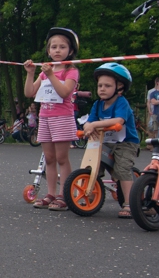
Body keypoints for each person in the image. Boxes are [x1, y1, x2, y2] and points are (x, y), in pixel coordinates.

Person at [24, 28, 80, 211]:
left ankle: (65, 195)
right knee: (49, 158)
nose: (57, 50)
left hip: (62, 118)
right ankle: (51, 193)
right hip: (45, 117)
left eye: (62, 47)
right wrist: (30, 73)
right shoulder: (44, 71)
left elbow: (64, 92)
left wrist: (50, 75)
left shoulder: (70, 71)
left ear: (70, 51)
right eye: (53, 47)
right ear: (48, 51)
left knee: (62, 158)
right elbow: (29, 93)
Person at [83, 63, 139, 219]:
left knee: (122, 169)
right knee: (93, 164)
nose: (102, 88)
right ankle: (91, 196)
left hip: (126, 142)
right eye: (100, 85)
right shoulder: (97, 104)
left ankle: (129, 203)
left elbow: (119, 121)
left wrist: (94, 124)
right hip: (106, 142)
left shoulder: (122, 103)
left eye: (107, 85)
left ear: (119, 87)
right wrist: (88, 126)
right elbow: (90, 121)